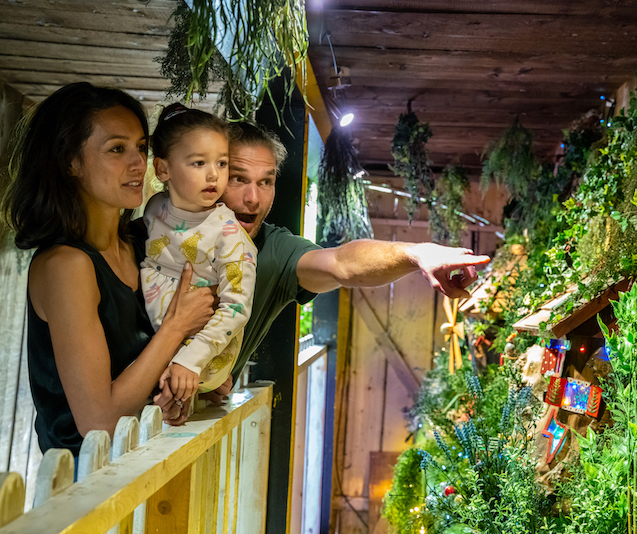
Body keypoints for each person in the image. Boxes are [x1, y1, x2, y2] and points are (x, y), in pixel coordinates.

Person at [155, 122, 491, 415]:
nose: (253, 198)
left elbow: (342, 263)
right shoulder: (156, 230)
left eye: (266, 181)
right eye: (239, 179)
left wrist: (418, 253)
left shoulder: (273, 251)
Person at [1, 82, 215, 455]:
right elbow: (98, 421)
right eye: (117, 149)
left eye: (141, 148)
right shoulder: (65, 265)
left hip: (141, 473)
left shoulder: (140, 244)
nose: (138, 163)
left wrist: (175, 390)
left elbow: (148, 375)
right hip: (82, 491)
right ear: (71, 161)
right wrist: (176, 326)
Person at [141, 103, 257, 406]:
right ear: (163, 169)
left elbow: (236, 309)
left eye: (221, 163)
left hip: (198, 356)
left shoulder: (231, 237)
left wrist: (191, 361)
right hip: (156, 342)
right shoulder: (155, 209)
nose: (213, 175)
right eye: (198, 163)